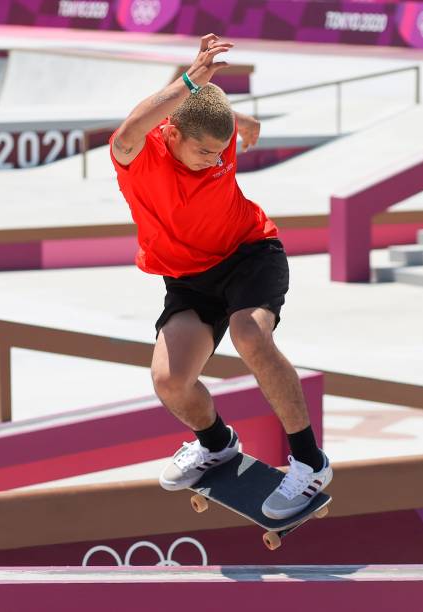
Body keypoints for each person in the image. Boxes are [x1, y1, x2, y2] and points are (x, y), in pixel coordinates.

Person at [109, 33, 331, 519]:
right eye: (204, 152)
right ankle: (217, 444)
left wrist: (242, 120)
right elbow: (133, 126)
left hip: (250, 253)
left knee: (250, 334)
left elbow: (208, 108)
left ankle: (310, 464)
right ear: (170, 133)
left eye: (221, 150)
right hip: (189, 279)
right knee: (170, 382)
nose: (216, 159)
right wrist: (189, 77)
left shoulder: (214, 130)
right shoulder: (138, 157)